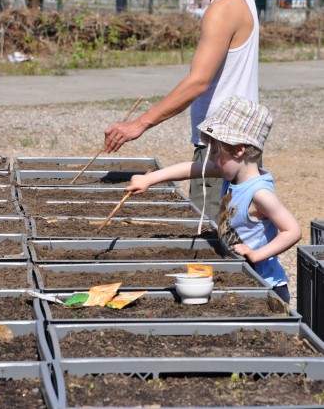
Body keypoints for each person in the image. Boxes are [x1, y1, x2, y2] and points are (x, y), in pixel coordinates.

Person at [103, 0, 259, 222]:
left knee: (211, 237)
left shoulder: (223, 8)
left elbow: (198, 82)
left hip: (223, 147)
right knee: (229, 234)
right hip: (235, 142)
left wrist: (140, 124)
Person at [126, 96, 301, 303]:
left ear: (239, 150)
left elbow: (292, 231)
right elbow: (190, 169)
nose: (211, 159)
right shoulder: (231, 172)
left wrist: (257, 254)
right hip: (241, 276)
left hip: (265, 287)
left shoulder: (259, 194)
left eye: (216, 151)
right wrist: (149, 179)